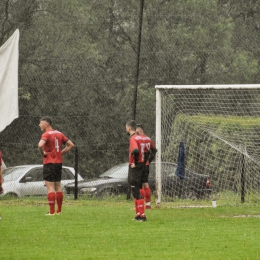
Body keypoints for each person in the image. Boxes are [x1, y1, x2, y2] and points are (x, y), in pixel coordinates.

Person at [38, 116, 74, 215]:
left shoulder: (46, 134)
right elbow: (71, 145)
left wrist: (43, 153)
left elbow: (40, 145)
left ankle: (51, 212)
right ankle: (59, 211)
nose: (39, 125)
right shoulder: (59, 133)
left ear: (46, 124)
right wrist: (60, 153)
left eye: (41, 123)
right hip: (58, 163)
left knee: (50, 187)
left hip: (49, 163)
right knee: (58, 186)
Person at [126, 120, 147, 221]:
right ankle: (138, 214)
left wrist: (136, 163)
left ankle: (142, 216)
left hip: (136, 167)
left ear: (129, 128)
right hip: (142, 166)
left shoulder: (133, 138)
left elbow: (135, 150)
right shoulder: (141, 137)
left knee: (136, 190)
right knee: (136, 190)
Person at [136, 124, 157, 209]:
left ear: (139, 131)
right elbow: (154, 150)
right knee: (145, 183)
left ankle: (140, 204)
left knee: (140, 184)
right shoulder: (148, 139)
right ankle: (148, 205)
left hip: (139, 163)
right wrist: (149, 160)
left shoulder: (138, 139)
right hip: (146, 164)